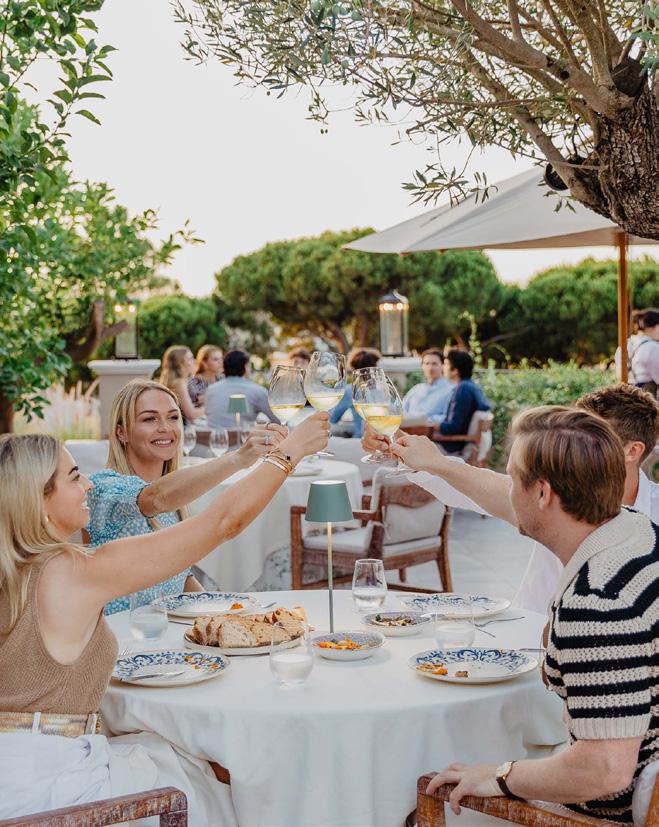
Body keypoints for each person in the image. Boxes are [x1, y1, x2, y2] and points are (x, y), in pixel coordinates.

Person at [0, 416, 329, 823]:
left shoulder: (16, 571)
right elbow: (222, 522)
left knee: (176, 753)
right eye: (73, 477)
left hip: (15, 779)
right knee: (226, 782)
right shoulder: (70, 573)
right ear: (38, 499)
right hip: (54, 787)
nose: (88, 485)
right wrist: (291, 451)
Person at [392, 407, 659, 824]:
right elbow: (503, 497)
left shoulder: (597, 601)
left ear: (543, 494)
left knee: (425, 790)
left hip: (609, 812)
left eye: (513, 478)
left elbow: (604, 770)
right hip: (632, 764)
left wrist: (499, 777)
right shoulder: (636, 530)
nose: (508, 490)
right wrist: (435, 464)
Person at [362, 383, 659, 612]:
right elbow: (477, 486)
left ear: (632, 451)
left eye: (594, 436)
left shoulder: (651, 521)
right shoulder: (553, 496)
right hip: (528, 635)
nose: (576, 443)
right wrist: (399, 444)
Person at [86, 378, 288, 614]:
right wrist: (239, 458)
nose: (165, 428)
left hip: (164, 629)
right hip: (119, 630)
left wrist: (220, 615)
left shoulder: (174, 501)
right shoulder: (104, 487)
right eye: (149, 419)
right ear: (121, 432)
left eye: (173, 417)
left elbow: (181, 577)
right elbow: (154, 498)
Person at [205, 350, 280, 431]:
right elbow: (278, 420)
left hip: (214, 437)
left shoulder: (210, 390)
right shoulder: (257, 391)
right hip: (242, 438)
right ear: (245, 367)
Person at [433, 349, 491, 453]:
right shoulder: (472, 386)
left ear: (455, 370)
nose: (443, 367)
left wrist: (434, 426)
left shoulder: (463, 390)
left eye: (446, 364)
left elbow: (454, 427)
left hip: (453, 447)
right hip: (463, 442)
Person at [330, 348, 381, 439]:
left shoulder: (351, 390)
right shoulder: (383, 389)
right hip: (383, 439)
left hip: (361, 440)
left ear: (354, 369)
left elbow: (333, 418)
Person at [402, 348, 453, 423]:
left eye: (434, 364)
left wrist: (424, 420)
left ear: (442, 365)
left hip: (430, 428)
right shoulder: (416, 389)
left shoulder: (450, 390)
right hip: (407, 427)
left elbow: (447, 417)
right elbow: (401, 411)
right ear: (422, 366)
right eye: (427, 363)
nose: (430, 368)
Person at [159, 345, 204, 423]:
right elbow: (191, 414)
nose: (195, 361)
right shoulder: (178, 383)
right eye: (190, 359)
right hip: (182, 427)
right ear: (180, 363)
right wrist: (210, 405)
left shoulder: (183, 381)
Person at [631, 309, 659, 397]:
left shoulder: (625, 345)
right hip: (646, 397)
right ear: (655, 326)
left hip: (625, 396)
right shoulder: (653, 347)